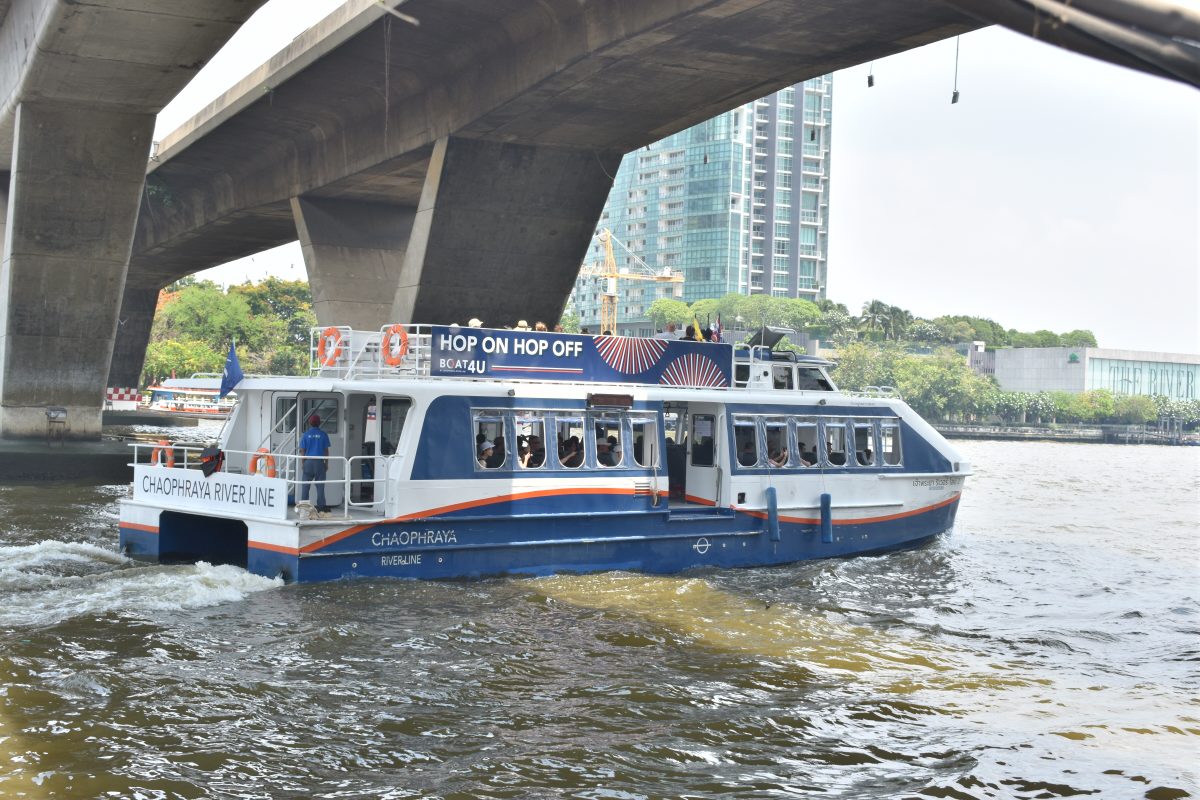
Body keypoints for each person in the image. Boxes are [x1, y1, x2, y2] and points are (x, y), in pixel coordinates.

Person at [299, 414, 331, 511]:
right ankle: (321, 507)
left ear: (310, 423)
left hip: (308, 462)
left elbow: (302, 450)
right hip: (319, 463)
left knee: (305, 486)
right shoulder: (323, 434)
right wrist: (326, 463)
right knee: (320, 486)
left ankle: (304, 507)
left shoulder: (305, 435)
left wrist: (303, 463)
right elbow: (326, 451)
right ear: (319, 423)